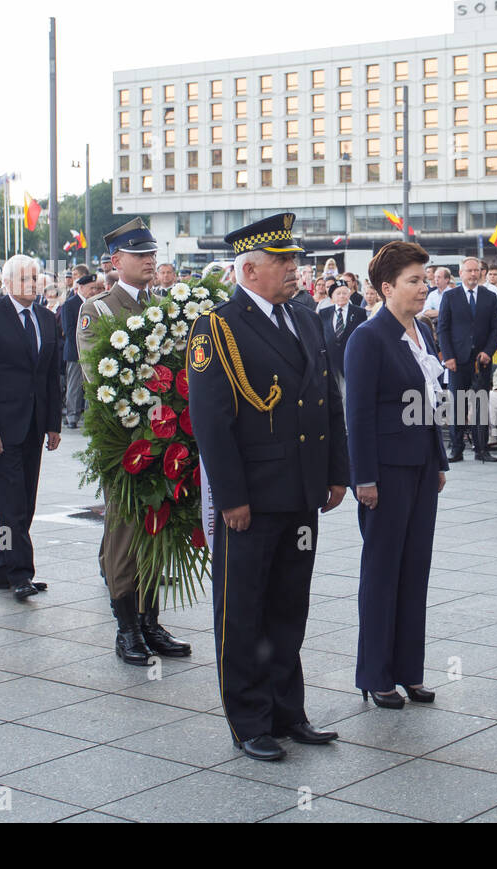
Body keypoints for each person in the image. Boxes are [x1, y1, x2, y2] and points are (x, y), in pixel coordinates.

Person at [188, 213, 349, 761]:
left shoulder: (303, 318)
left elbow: (327, 400)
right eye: (284, 262)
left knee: (289, 606)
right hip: (252, 499)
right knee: (244, 610)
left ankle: (288, 710)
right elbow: (210, 420)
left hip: (300, 492)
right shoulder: (218, 327)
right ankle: (249, 718)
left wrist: (335, 471)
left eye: (295, 261)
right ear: (250, 269)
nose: (295, 270)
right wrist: (231, 496)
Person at [77, 218, 192, 664]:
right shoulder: (100, 310)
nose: (149, 260)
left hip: (167, 435)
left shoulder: (166, 304)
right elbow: (96, 374)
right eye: (139, 254)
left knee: (158, 524)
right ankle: (127, 627)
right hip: (124, 437)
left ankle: (150, 620)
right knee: (125, 529)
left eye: (152, 253)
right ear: (115, 261)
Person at [345, 241, 448, 708]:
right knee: (383, 572)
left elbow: (428, 403)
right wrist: (363, 476)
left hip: (422, 467)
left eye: (425, 280)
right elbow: (358, 412)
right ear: (387, 288)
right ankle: (375, 673)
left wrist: (439, 460)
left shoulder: (422, 333)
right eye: (413, 280)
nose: (423, 287)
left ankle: (409, 670)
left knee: (415, 570)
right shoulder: (369, 337)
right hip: (384, 473)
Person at [0, 255, 62, 600]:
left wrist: (53, 423)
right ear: (5, 284)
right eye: (23, 279)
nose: (32, 284)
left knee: (26, 502)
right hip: (1, 428)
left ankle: (4, 568)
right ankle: (21, 572)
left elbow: (51, 376)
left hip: (34, 426)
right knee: (11, 505)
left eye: (35, 277)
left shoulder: (48, 319)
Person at [437, 256, 497, 463]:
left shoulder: (489, 296)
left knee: (481, 404)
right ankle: (456, 449)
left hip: (481, 360)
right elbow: (443, 328)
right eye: (469, 271)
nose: (474, 274)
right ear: (461, 273)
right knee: (458, 405)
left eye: (477, 270)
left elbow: (496, 328)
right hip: (457, 360)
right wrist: (448, 357)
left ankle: (481, 449)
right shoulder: (450, 296)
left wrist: (488, 351)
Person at [318, 281, 367, 398]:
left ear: (349, 294)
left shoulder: (359, 312)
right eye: (338, 293)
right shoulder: (324, 313)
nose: (341, 296)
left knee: (348, 395)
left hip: (350, 359)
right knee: (332, 395)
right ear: (332, 297)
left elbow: (363, 336)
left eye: (344, 293)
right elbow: (320, 335)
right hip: (330, 360)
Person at [60, 274, 96, 428]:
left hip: (92, 352)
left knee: (90, 385)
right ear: (81, 287)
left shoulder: (95, 303)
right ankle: (72, 416)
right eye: (90, 288)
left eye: (95, 288)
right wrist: (82, 348)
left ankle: (89, 416)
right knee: (74, 385)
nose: (93, 291)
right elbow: (68, 330)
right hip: (75, 352)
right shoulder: (70, 304)